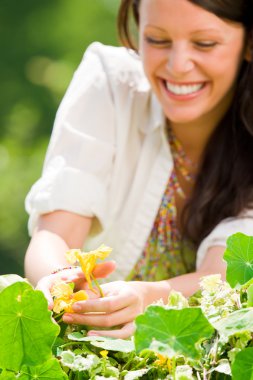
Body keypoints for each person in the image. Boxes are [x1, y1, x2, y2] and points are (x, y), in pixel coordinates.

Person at [24, 0, 253, 338]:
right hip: (88, 348)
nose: (177, 66)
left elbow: (227, 272)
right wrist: (59, 280)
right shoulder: (111, 84)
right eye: (157, 40)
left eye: (204, 43)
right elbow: (55, 232)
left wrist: (153, 298)